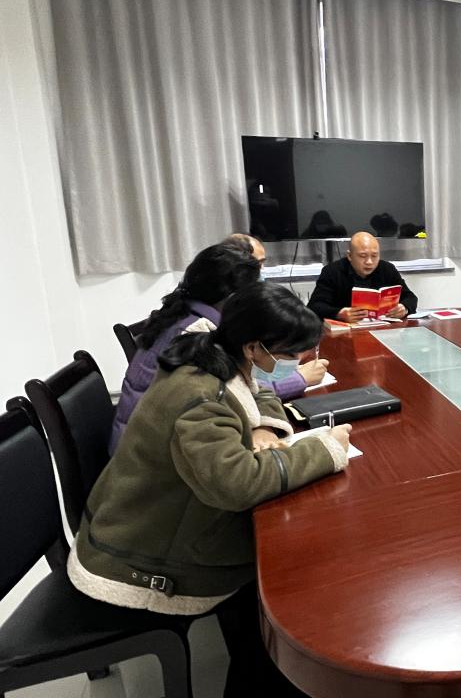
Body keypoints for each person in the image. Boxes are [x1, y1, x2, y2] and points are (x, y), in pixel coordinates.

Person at [69, 283, 350, 697]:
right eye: (290, 354)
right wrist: (325, 450)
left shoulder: (214, 352)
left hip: (142, 523)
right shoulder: (200, 397)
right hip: (144, 561)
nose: (295, 363)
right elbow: (236, 485)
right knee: (291, 576)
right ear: (253, 347)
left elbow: (257, 390)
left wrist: (264, 426)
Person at [110, 244, 329, 452]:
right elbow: (238, 389)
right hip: (153, 454)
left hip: (150, 442)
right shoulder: (196, 334)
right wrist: (299, 379)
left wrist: (265, 426)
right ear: (234, 299)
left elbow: (249, 386)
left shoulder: (185, 312)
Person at [307, 231, 417, 322]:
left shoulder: (387, 269)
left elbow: (410, 297)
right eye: (362, 256)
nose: (369, 262)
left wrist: (404, 308)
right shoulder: (332, 271)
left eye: (374, 256)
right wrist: (339, 313)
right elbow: (315, 306)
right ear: (350, 256)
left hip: (382, 329)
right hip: (346, 332)